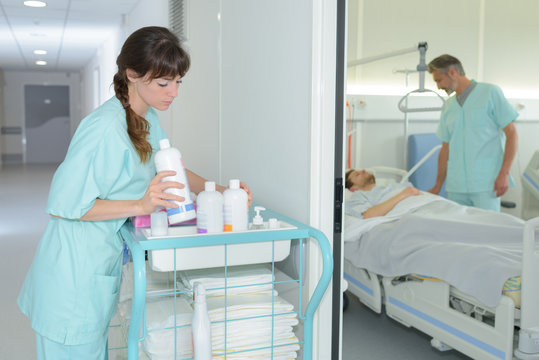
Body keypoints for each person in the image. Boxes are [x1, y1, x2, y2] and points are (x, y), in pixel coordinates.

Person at [17, 26, 251, 359]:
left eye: (178, 82)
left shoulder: (146, 117)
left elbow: (170, 168)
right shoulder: (103, 128)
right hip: (72, 279)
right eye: (163, 83)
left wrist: (223, 190)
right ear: (132, 75)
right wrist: (141, 204)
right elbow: (63, 204)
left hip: (95, 269)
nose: (174, 92)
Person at [427, 54, 518, 212]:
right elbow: (445, 148)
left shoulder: (490, 92)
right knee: (458, 233)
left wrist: (504, 173)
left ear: (453, 72)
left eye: (439, 80)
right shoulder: (449, 105)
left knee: (488, 232)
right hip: (456, 186)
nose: (438, 87)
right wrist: (437, 185)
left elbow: (511, 134)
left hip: (485, 183)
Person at [345, 169, 421, 218]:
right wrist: (403, 195)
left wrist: (433, 190)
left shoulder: (392, 186)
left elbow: (420, 196)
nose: (363, 170)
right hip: (411, 215)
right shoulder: (358, 196)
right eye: (357, 174)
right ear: (353, 188)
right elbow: (367, 215)